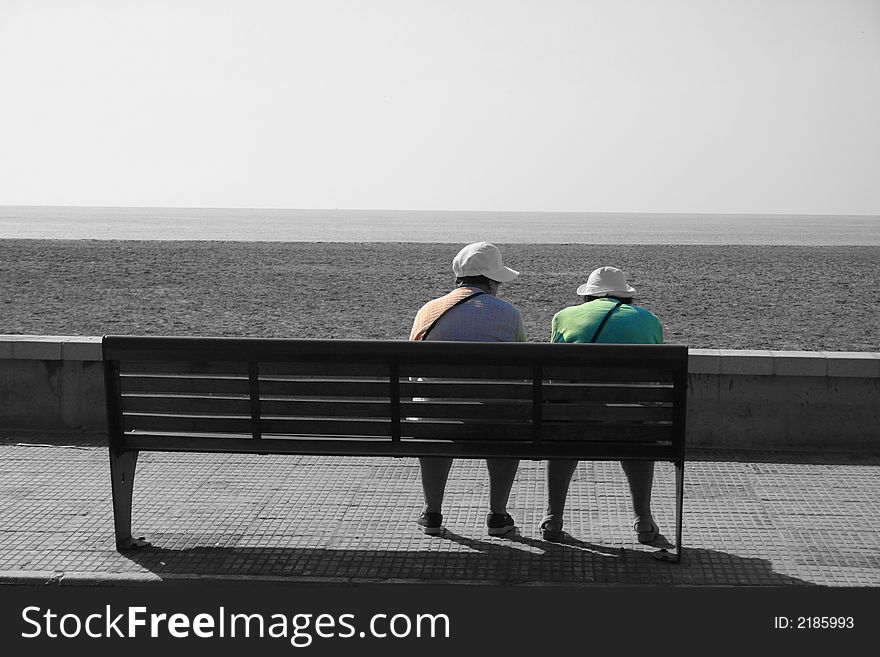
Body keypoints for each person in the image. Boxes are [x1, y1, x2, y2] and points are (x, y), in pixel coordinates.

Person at [409, 241, 527, 536]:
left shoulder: (428, 310)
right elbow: (522, 369)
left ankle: (432, 512)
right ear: (491, 280)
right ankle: (498, 515)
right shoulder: (508, 313)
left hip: (433, 418)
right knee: (507, 423)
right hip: (490, 420)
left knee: (432, 414)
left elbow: (411, 371)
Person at [543, 266, 663, 544]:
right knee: (638, 428)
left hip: (574, 421)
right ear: (625, 296)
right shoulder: (648, 319)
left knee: (564, 426)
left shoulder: (563, 317)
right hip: (631, 424)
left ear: (588, 296)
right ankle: (643, 520)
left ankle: (553, 517)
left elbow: (553, 374)